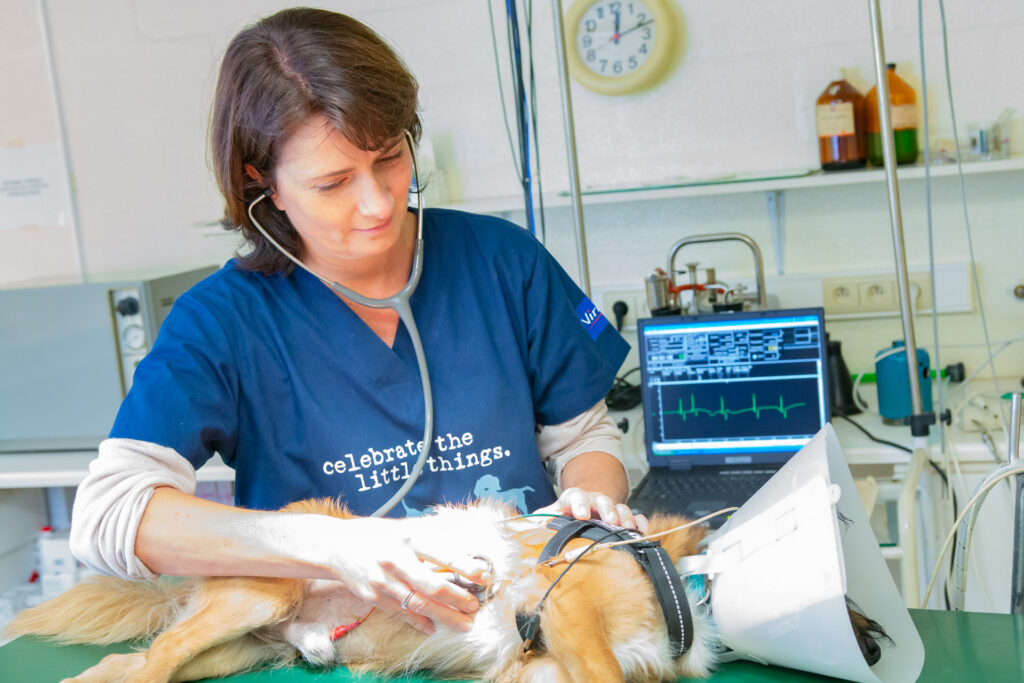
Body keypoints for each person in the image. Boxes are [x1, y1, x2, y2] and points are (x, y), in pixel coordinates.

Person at [69, 7, 636, 637]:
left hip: (516, 628)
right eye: (333, 182)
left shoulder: (502, 261)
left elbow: (585, 440)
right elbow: (108, 516)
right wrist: (330, 545)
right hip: (345, 647)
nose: (378, 202)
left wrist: (592, 499)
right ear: (266, 185)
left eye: (390, 157)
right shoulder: (223, 322)